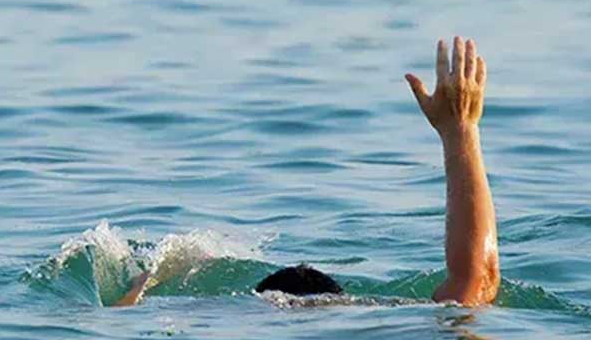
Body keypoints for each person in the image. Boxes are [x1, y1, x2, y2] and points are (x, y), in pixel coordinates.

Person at [114, 37, 500, 307]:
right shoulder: (370, 315)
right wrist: (460, 131)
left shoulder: (235, 316)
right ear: (340, 299)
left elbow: (121, 321)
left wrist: (140, 285)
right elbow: (477, 283)